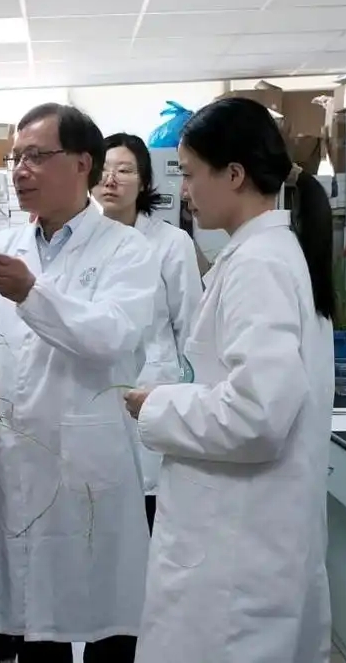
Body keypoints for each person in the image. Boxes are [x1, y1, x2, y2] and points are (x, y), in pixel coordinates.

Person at [0, 103, 156, 663]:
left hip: (85, 463)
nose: (19, 169)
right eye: (16, 158)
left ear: (82, 164)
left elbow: (112, 336)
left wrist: (32, 294)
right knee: (34, 629)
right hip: (12, 462)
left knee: (104, 626)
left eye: (37, 156)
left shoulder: (127, 251)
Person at [121, 97, 336, 663]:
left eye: (191, 175)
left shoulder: (258, 266)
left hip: (235, 560)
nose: (185, 192)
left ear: (234, 175)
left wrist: (158, 407)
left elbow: (256, 416)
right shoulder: (266, 254)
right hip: (247, 542)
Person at [91, 132, 203, 528]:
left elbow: (192, 327)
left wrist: (188, 396)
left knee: (149, 510)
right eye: (104, 170)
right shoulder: (83, 242)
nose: (112, 179)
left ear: (144, 182)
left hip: (155, 391)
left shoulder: (171, 243)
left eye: (124, 170)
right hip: (98, 395)